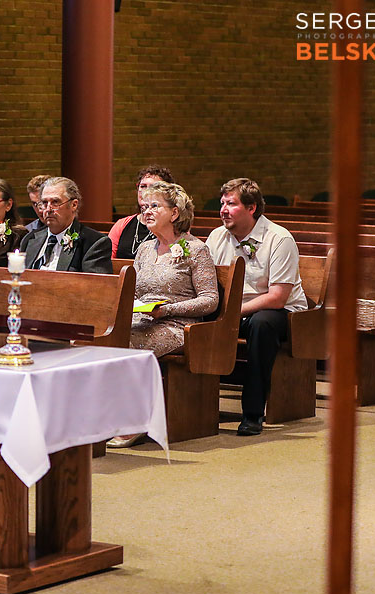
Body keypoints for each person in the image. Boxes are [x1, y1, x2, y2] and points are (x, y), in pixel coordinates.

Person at [108, 182, 218, 448]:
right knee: (105, 339)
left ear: (175, 213)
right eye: (144, 207)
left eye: (154, 206)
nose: (146, 212)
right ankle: (103, 418)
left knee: (128, 345)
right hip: (142, 318)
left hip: (179, 325)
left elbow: (210, 300)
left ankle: (134, 422)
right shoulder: (145, 249)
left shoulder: (196, 249)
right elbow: (132, 291)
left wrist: (167, 309)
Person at [205, 178, 308, 436]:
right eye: (222, 203)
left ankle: (252, 414)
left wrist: (232, 313)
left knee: (261, 325)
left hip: (283, 315)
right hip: (234, 310)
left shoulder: (279, 239)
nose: (224, 210)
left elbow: (278, 297)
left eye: (232, 204)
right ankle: (197, 409)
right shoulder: (217, 237)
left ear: (251, 208)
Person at [19, 177, 112, 273]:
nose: (48, 209)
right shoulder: (30, 239)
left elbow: (96, 285)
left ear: (74, 205)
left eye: (55, 202)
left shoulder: (94, 243)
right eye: (44, 203)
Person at [108, 165, 175, 259]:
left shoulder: (174, 227)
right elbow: (107, 260)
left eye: (154, 187)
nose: (146, 191)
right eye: (143, 186)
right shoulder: (122, 224)